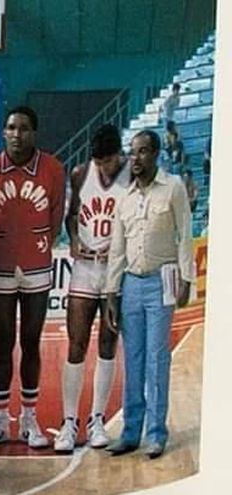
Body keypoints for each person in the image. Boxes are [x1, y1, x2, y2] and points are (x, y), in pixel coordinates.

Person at [104, 130, 194, 460]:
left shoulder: (173, 187)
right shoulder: (125, 197)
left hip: (162, 282)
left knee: (157, 358)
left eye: (142, 151)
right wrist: (111, 293)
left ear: (156, 154)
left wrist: (187, 279)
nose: (136, 158)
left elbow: (185, 234)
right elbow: (117, 249)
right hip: (130, 285)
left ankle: (156, 434)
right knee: (134, 359)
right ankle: (130, 433)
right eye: (132, 152)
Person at [0, 106, 66, 450]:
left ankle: (30, 419)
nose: (17, 134)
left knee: (31, 342)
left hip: (36, 267)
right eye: (12, 128)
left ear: (35, 133)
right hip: (0, 266)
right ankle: (0, 420)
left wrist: (35, 245)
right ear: (3, 132)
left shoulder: (52, 168)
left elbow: (56, 217)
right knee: (3, 343)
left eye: (24, 128)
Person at [54, 124, 130, 453]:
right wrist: (73, 240)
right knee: (76, 343)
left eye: (108, 161)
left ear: (119, 155)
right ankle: (69, 421)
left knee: (108, 343)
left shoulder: (131, 173)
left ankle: (96, 419)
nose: (103, 168)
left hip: (116, 270)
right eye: (98, 162)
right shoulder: (80, 173)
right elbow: (72, 216)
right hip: (85, 269)